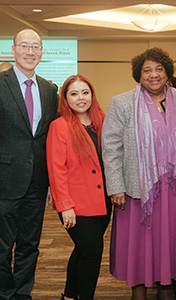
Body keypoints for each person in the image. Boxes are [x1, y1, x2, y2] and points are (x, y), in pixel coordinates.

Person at [102, 47, 176, 300]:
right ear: (138, 75)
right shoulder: (122, 103)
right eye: (147, 70)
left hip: (174, 190)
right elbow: (111, 147)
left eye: (159, 69)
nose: (153, 75)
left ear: (168, 72)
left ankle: (166, 287)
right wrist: (116, 186)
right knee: (140, 245)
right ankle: (139, 290)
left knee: (168, 243)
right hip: (136, 190)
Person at [0, 29, 58, 300]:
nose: (30, 52)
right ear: (13, 50)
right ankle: (5, 293)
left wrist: (50, 182)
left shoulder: (49, 89)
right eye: (24, 46)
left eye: (35, 47)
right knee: (2, 246)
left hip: (36, 183)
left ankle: (22, 294)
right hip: (4, 181)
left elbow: (47, 139)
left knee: (29, 245)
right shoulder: (1, 83)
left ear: (42, 52)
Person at [46, 74, 112, 300]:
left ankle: (69, 296)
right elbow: (57, 170)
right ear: (65, 99)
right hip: (76, 205)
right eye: (74, 94)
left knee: (83, 251)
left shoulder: (104, 120)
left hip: (103, 202)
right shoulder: (59, 126)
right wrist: (65, 206)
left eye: (85, 92)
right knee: (92, 254)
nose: (80, 98)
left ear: (92, 95)